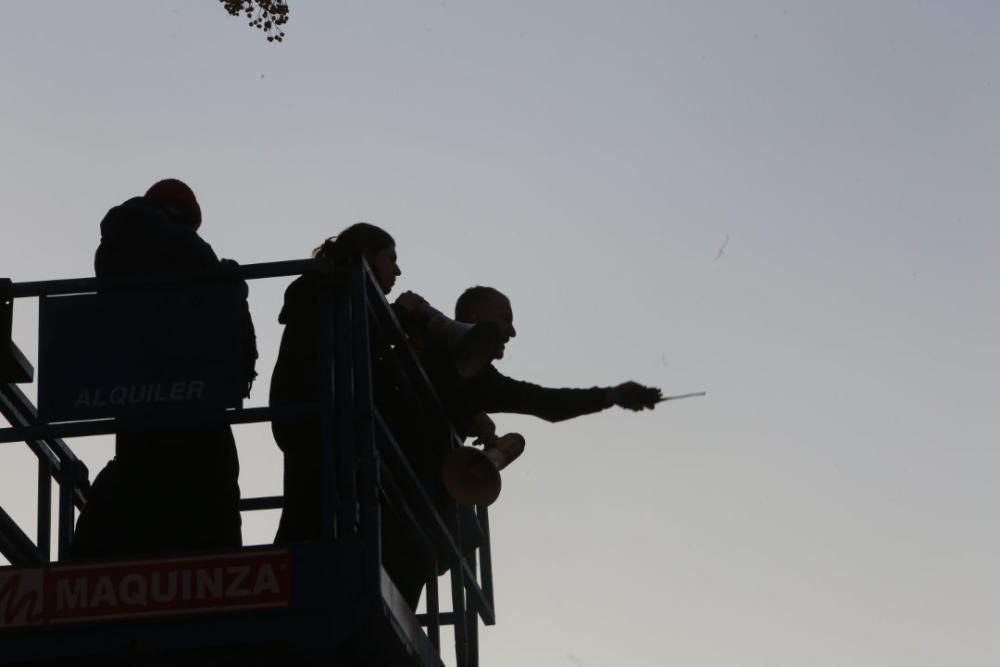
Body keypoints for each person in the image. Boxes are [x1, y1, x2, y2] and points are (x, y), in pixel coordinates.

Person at [72, 179, 257, 559]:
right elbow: (220, 319)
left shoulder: (110, 250)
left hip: (134, 403)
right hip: (193, 394)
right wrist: (231, 284)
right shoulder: (185, 244)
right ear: (182, 215)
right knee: (214, 485)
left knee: (141, 484)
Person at [270, 223, 442, 608]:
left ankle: (284, 586)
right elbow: (352, 337)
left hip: (317, 418)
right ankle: (284, 589)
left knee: (312, 511)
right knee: (312, 512)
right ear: (367, 255)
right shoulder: (331, 285)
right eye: (391, 259)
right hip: (319, 418)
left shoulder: (328, 286)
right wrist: (396, 316)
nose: (396, 272)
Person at [453, 285, 661, 434]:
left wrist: (612, 396)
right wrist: (612, 396)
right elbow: (547, 404)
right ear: (475, 317)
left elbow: (546, 403)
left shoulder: (484, 379)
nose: (513, 332)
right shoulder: (440, 353)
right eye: (506, 319)